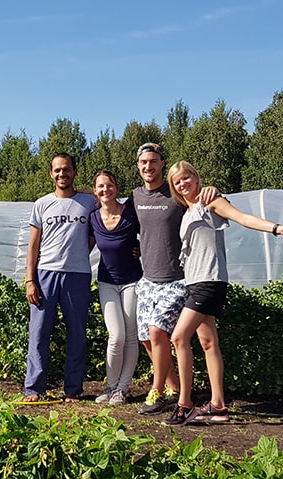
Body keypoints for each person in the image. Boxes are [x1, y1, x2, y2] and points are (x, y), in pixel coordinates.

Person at [162, 160, 283, 425]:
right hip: (196, 282)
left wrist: (277, 229)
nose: (183, 184)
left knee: (178, 338)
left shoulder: (211, 201)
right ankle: (218, 405)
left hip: (209, 281)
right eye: (177, 182)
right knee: (208, 344)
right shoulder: (189, 210)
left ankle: (184, 404)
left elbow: (242, 217)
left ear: (196, 177)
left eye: (186, 178)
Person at [129, 142, 217, 415]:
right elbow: (114, 212)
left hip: (177, 278)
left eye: (153, 162)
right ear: (138, 166)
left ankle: (155, 393)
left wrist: (212, 190)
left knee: (158, 331)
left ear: (161, 165)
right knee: (146, 337)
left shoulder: (174, 193)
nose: (148, 166)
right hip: (148, 278)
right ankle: (173, 387)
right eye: (144, 162)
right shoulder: (135, 196)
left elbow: (198, 198)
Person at [24, 153, 98, 403]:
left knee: (76, 334)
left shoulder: (89, 203)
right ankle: (35, 389)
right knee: (39, 333)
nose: (61, 174)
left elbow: (106, 211)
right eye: (57, 170)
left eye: (66, 169)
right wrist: (30, 280)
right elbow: (34, 245)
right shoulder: (42, 204)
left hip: (77, 276)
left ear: (74, 172)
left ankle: (72, 389)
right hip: (45, 274)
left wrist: (78, 253)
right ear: (50, 174)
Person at [88, 170, 143, 405]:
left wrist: (142, 248)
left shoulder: (130, 214)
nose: (105, 190)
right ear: (95, 191)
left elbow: (152, 234)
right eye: (100, 186)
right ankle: (110, 387)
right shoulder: (93, 218)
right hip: (106, 282)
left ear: (116, 188)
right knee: (116, 336)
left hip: (132, 281)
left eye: (109, 185)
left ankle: (123, 388)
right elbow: (85, 246)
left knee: (130, 336)